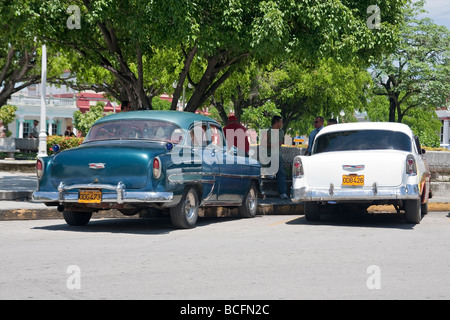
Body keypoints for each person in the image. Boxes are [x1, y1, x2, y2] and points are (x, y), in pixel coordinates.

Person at [263, 115, 288, 200]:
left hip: (277, 155)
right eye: (281, 121)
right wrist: (273, 145)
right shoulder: (267, 131)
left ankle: (283, 192)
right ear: (277, 122)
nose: (282, 123)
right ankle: (269, 172)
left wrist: (270, 144)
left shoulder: (281, 131)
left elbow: (279, 143)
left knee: (281, 172)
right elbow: (264, 143)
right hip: (268, 154)